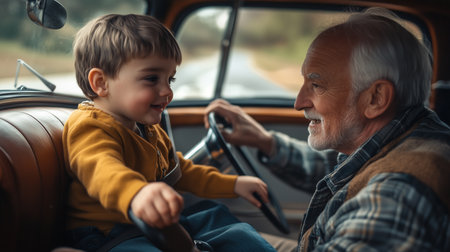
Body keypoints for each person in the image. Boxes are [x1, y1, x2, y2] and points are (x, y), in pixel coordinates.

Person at [205, 7, 450, 252]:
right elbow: (333, 167)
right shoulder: (404, 137)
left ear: (375, 98)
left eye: (316, 85)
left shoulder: (395, 196)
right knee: (221, 232)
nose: (298, 103)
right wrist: (265, 141)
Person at [62, 14, 276, 252]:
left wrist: (233, 184)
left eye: (170, 79)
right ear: (101, 83)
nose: (167, 91)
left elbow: (179, 171)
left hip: (154, 224)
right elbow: (102, 171)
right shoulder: (90, 126)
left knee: (226, 223)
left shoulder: (147, 128)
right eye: (151, 79)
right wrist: (137, 193)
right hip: (109, 234)